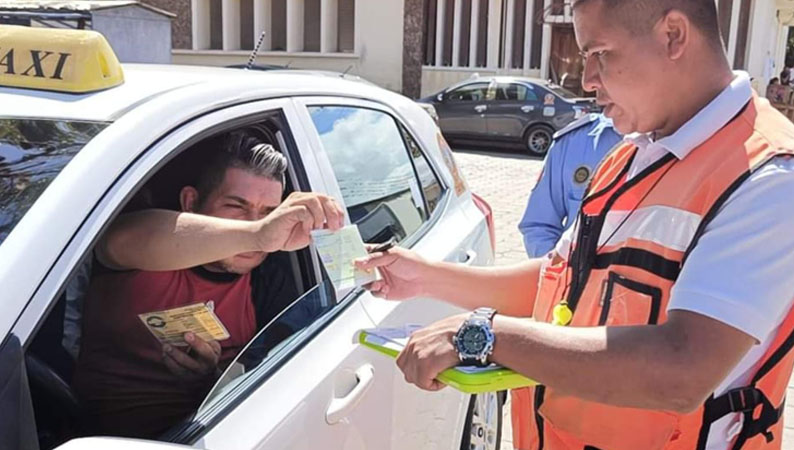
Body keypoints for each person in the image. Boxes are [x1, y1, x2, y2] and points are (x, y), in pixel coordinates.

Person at [356, 0, 794, 448]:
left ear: (674, 36)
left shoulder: (769, 178)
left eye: (600, 53)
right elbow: (559, 282)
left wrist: (486, 334)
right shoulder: (631, 156)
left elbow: (681, 371)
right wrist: (426, 277)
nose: (586, 80)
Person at [73, 132, 344, 438]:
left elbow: (268, 386)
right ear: (190, 202)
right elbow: (123, 240)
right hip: (89, 431)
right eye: (236, 205)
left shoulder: (269, 281)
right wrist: (256, 232)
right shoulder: (148, 247)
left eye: (270, 212)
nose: (255, 220)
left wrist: (209, 378)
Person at [518, 113, 621, 257]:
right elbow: (540, 226)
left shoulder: (661, 146)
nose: (588, 88)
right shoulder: (572, 142)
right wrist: (557, 274)